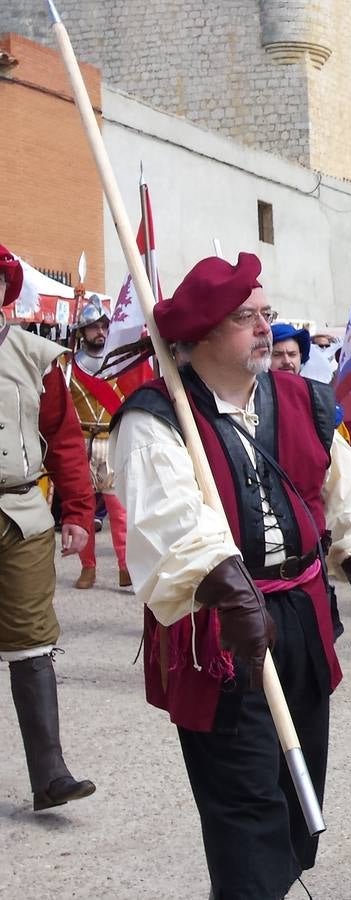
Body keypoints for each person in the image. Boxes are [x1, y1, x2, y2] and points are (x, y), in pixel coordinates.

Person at [110, 252, 351, 898]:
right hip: (221, 628)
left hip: (300, 615)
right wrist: (230, 589)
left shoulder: (305, 400)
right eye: (246, 318)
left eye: (267, 314)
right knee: (245, 814)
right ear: (206, 333)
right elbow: (171, 525)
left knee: (296, 805)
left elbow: (343, 491)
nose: (265, 327)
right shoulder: (155, 418)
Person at [0, 241, 99, 812]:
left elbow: (64, 440)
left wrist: (78, 513)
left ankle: (50, 775)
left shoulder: (37, 358)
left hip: (19, 517)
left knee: (31, 642)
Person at [67, 296, 153, 589]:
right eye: (93, 327)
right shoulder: (68, 366)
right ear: (82, 331)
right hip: (81, 443)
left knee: (119, 509)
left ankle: (125, 566)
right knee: (85, 510)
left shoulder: (120, 363)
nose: (100, 332)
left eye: (104, 326)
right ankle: (88, 568)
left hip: (112, 438)